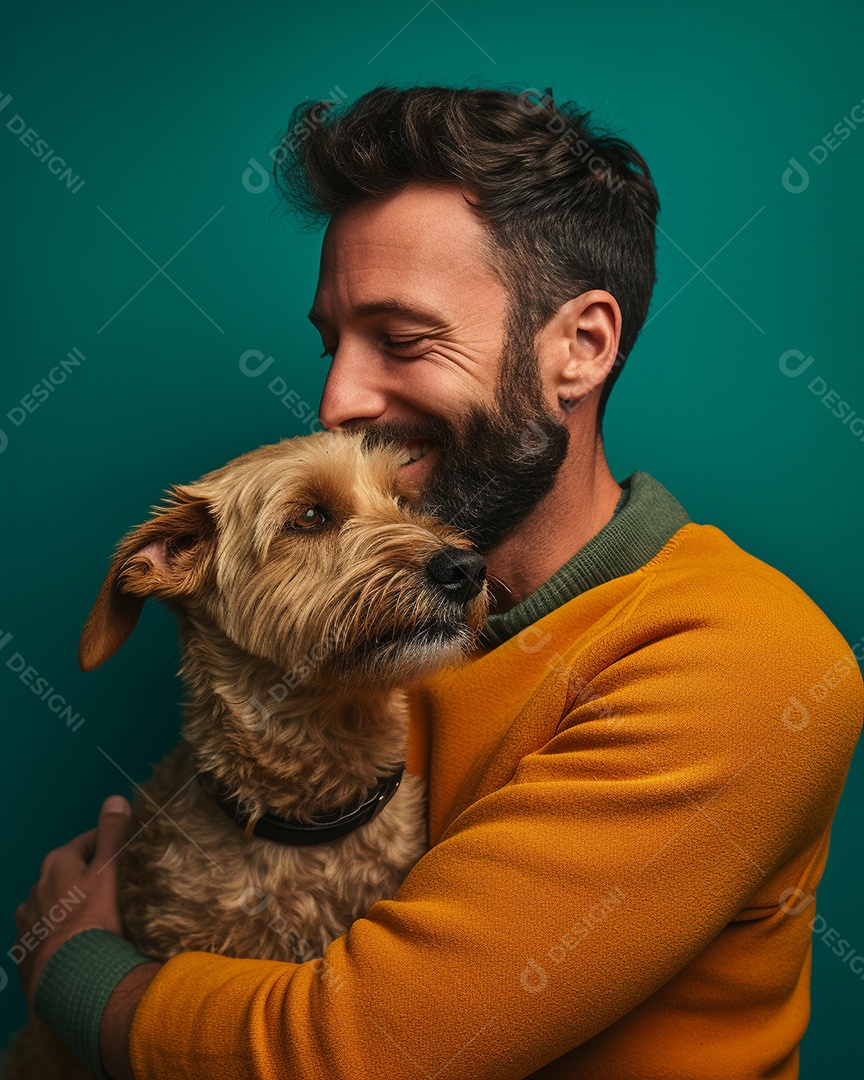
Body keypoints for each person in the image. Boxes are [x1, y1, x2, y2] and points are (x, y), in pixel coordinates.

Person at [13, 85, 863, 1080]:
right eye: (332, 341)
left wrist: (74, 970)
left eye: (404, 341)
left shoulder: (743, 657)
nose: (336, 400)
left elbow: (362, 1052)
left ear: (579, 349)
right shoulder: (368, 647)